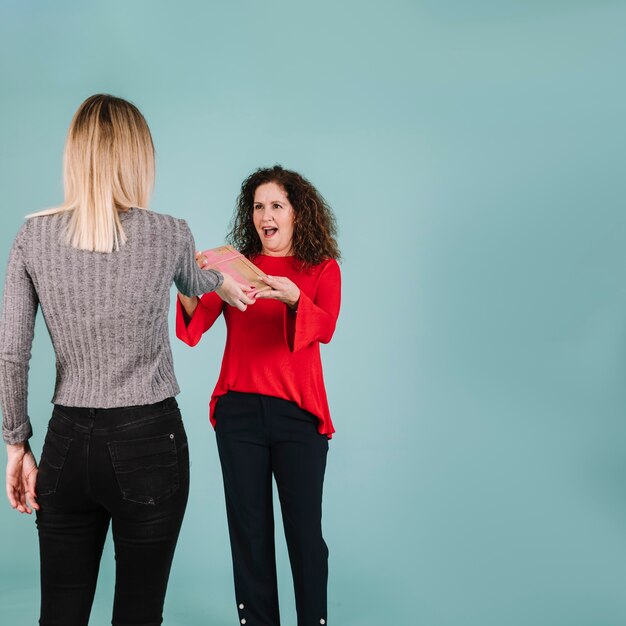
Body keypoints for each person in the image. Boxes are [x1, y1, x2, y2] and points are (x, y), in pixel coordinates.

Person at [0, 94, 254, 626]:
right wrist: (224, 280)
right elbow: (195, 280)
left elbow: (11, 351)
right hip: (149, 441)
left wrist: (16, 443)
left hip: (66, 443)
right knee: (139, 616)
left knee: (60, 616)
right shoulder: (169, 232)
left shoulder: (33, 236)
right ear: (139, 157)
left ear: (76, 155)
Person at [177, 165, 341, 626]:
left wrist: (292, 299)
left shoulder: (321, 269)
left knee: (305, 535)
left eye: (276, 206)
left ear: (297, 214)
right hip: (240, 414)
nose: (265, 215)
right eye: (258, 207)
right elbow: (194, 326)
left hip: (300, 417)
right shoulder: (235, 266)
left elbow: (325, 327)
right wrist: (189, 277)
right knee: (249, 532)